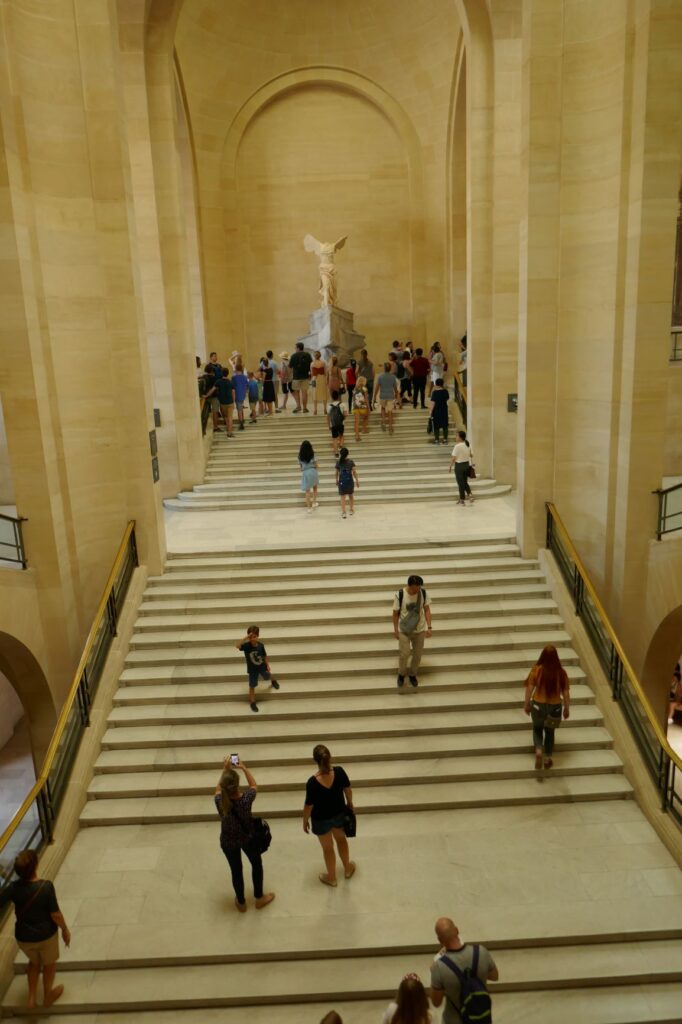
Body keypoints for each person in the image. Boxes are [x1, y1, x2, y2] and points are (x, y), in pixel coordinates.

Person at [0, 849, 71, 1009]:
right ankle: (48, 995)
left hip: (24, 938)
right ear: (35, 866)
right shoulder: (45, 887)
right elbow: (55, 915)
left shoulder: (12, 888)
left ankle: (31, 999)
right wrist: (65, 929)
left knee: (33, 961)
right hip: (45, 936)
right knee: (49, 964)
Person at [215, 761, 275, 912]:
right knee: (256, 864)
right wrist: (243, 767)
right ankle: (259, 898)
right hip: (248, 838)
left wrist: (225, 769)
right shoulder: (246, 799)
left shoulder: (219, 801)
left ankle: (241, 902)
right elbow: (254, 785)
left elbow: (217, 789)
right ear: (237, 785)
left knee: (236, 870)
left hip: (228, 840)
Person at [303, 744, 355, 887]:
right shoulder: (339, 772)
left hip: (320, 820)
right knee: (341, 840)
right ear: (330, 757)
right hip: (339, 814)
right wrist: (350, 804)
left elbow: (308, 806)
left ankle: (331, 878)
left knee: (327, 848)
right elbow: (348, 790)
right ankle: (347, 869)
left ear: (315, 760)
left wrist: (305, 820)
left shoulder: (312, 782)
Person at [430, 917, 498, 1024]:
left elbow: (436, 1002)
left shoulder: (439, 966)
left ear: (440, 941)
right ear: (457, 930)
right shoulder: (481, 951)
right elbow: (495, 976)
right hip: (480, 1017)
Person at [523, 644, 570, 769]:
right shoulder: (561, 672)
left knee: (537, 728)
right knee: (550, 732)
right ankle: (548, 758)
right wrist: (566, 708)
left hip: (538, 705)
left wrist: (526, 704)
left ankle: (538, 750)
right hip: (555, 707)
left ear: (542, 656)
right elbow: (565, 692)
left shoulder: (536, 670)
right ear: (556, 657)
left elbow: (530, 688)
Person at [392, 574, 432, 688]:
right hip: (404, 630)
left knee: (417, 655)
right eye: (415, 588)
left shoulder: (423, 593)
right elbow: (395, 614)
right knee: (404, 654)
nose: (417, 590)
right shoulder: (400, 594)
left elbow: (427, 610)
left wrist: (429, 627)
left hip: (419, 630)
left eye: (419, 587)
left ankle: (413, 674)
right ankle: (401, 674)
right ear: (409, 585)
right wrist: (395, 630)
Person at [235, 625, 280, 712]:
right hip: (252, 670)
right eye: (251, 637)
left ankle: (273, 680)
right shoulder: (246, 646)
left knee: (267, 676)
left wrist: (267, 665)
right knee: (252, 686)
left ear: (258, 636)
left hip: (262, 667)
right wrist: (246, 637)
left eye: (254, 637)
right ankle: (252, 702)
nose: (253, 639)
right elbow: (237, 646)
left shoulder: (261, 645)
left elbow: (265, 655)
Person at [449, 430, 474, 506]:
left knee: (460, 483)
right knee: (465, 482)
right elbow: (471, 455)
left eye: (456, 436)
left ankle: (462, 499)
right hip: (466, 465)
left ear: (460, 437)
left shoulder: (457, 446)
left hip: (459, 466)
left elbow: (453, 458)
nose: (455, 437)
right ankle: (470, 495)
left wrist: (450, 466)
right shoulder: (468, 444)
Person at [373, 362, 399, 435]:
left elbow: (377, 387)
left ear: (384, 368)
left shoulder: (380, 376)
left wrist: (374, 396)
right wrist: (396, 396)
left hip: (383, 396)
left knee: (383, 409)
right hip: (390, 396)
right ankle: (390, 427)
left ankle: (383, 422)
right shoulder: (393, 377)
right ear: (390, 368)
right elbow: (395, 388)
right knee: (390, 411)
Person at [289, 341, 312, 413]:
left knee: (296, 392)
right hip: (305, 377)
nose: (295, 349)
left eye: (295, 348)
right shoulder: (308, 355)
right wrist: (310, 375)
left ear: (298, 348)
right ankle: (305, 408)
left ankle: (298, 406)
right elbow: (311, 365)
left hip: (296, 377)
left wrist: (289, 377)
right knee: (304, 392)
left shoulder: (293, 356)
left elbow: (290, 367)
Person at [335, 446, 358, 519]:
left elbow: (336, 473)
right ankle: (351, 510)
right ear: (347, 454)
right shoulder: (351, 462)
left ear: (341, 454)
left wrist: (336, 480)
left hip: (341, 481)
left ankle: (344, 512)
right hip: (349, 481)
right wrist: (357, 480)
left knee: (342, 497)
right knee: (350, 495)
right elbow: (354, 472)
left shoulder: (338, 462)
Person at [299, 440, 320, 513]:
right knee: (315, 488)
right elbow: (317, 465)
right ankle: (314, 502)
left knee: (307, 491)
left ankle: (309, 508)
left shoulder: (300, 456)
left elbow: (301, 468)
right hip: (313, 471)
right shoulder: (312, 454)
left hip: (306, 472)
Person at [429, 378, 449, 445]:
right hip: (444, 410)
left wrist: (430, 412)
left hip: (436, 411)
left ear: (436, 384)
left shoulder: (434, 392)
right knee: (445, 425)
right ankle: (445, 440)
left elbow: (432, 403)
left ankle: (437, 440)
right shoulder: (445, 391)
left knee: (436, 425)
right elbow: (447, 399)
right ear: (442, 383)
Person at [216, 367, 234, 436]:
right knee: (230, 418)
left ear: (221, 373)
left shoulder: (218, 381)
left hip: (222, 403)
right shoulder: (230, 382)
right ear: (228, 373)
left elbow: (213, 389)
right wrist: (233, 401)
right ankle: (230, 432)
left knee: (226, 417)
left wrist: (206, 395)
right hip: (230, 402)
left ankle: (228, 429)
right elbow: (233, 392)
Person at [232, 359, 248, 431]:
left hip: (237, 395)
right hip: (243, 394)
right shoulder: (244, 377)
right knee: (241, 408)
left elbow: (232, 388)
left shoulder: (234, 378)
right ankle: (242, 420)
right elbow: (247, 386)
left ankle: (241, 424)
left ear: (235, 369)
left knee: (239, 410)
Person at [352, 375, 370, 441]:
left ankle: (357, 436)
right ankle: (364, 429)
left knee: (357, 422)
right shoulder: (364, 389)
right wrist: (369, 408)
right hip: (362, 406)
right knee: (366, 416)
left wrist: (354, 405)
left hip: (356, 407)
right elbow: (366, 399)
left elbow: (353, 399)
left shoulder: (354, 389)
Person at [327, 390, 345, 455]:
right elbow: (345, 414)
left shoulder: (329, 406)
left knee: (334, 439)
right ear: (338, 396)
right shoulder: (342, 404)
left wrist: (329, 425)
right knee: (341, 436)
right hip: (341, 424)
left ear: (332, 397)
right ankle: (341, 445)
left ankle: (336, 453)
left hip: (333, 425)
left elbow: (328, 417)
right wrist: (342, 419)